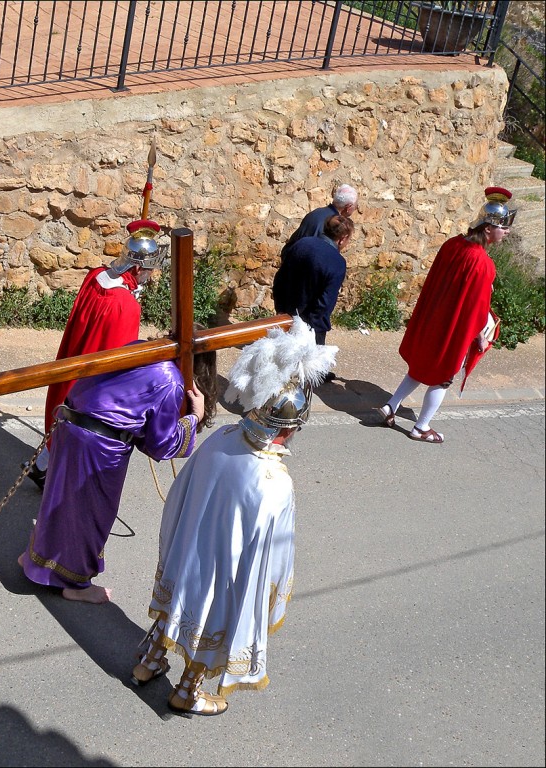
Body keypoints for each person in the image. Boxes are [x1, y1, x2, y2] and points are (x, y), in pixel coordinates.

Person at [130, 317, 337, 717]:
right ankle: (187, 692)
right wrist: (269, 590)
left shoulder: (221, 439)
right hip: (224, 571)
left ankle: (149, 661)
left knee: (180, 601)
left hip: (187, 552)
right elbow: (276, 553)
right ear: (289, 429)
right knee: (214, 615)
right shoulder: (275, 481)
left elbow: (179, 495)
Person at [19, 341, 219, 604]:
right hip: (99, 444)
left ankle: (35, 559)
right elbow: (162, 443)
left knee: (59, 501)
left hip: (72, 421)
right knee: (90, 514)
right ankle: (75, 583)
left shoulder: (144, 348)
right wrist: (194, 416)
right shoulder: (171, 379)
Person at [23, 218, 166, 490]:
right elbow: (119, 359)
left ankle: (41, 466)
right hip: (92, 376)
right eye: (147, 270)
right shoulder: (125, 304)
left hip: (76, 354)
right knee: (78, 425)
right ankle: (55, 479)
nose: (150, 275)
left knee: (63, 416)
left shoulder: (95, 276)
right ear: (137, 267)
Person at [378, 187, 514, 444]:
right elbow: (476, 306)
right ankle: (421, 427)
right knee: (443, 377)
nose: (506, 232)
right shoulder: (483, 263)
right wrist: (478, 337)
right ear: (487, 229)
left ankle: (390, 406)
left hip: (435, 320)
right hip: (454, 328)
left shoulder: (453, 244)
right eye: (502, 227)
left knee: (421, 366)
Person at [272, 214, 354, 346]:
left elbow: (280, 278)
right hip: (311, 329)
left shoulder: (301, 244)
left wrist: (280, 310)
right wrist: (308, 326)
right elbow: (325, 302)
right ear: (342, 239)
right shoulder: (337, 262)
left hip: (285, 318)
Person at [280, 183, 358, 262]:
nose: (355, 209)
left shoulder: (316, 212)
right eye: (355, 206)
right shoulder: (333, 224)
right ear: (348, 207)